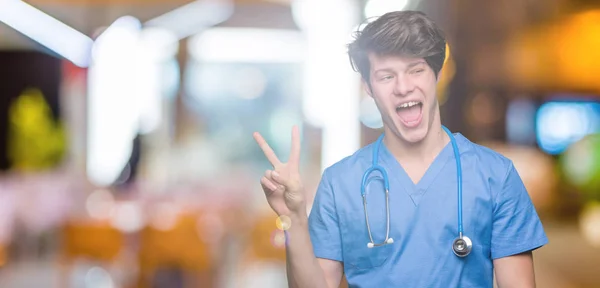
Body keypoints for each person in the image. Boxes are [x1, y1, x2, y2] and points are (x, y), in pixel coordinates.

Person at [253, 10, 548, 288]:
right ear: (368, 87)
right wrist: (292, 218)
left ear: (438, 74)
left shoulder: (496, 176)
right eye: (386, 76)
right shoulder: (339, 183)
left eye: (415, 70)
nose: (403, 87)